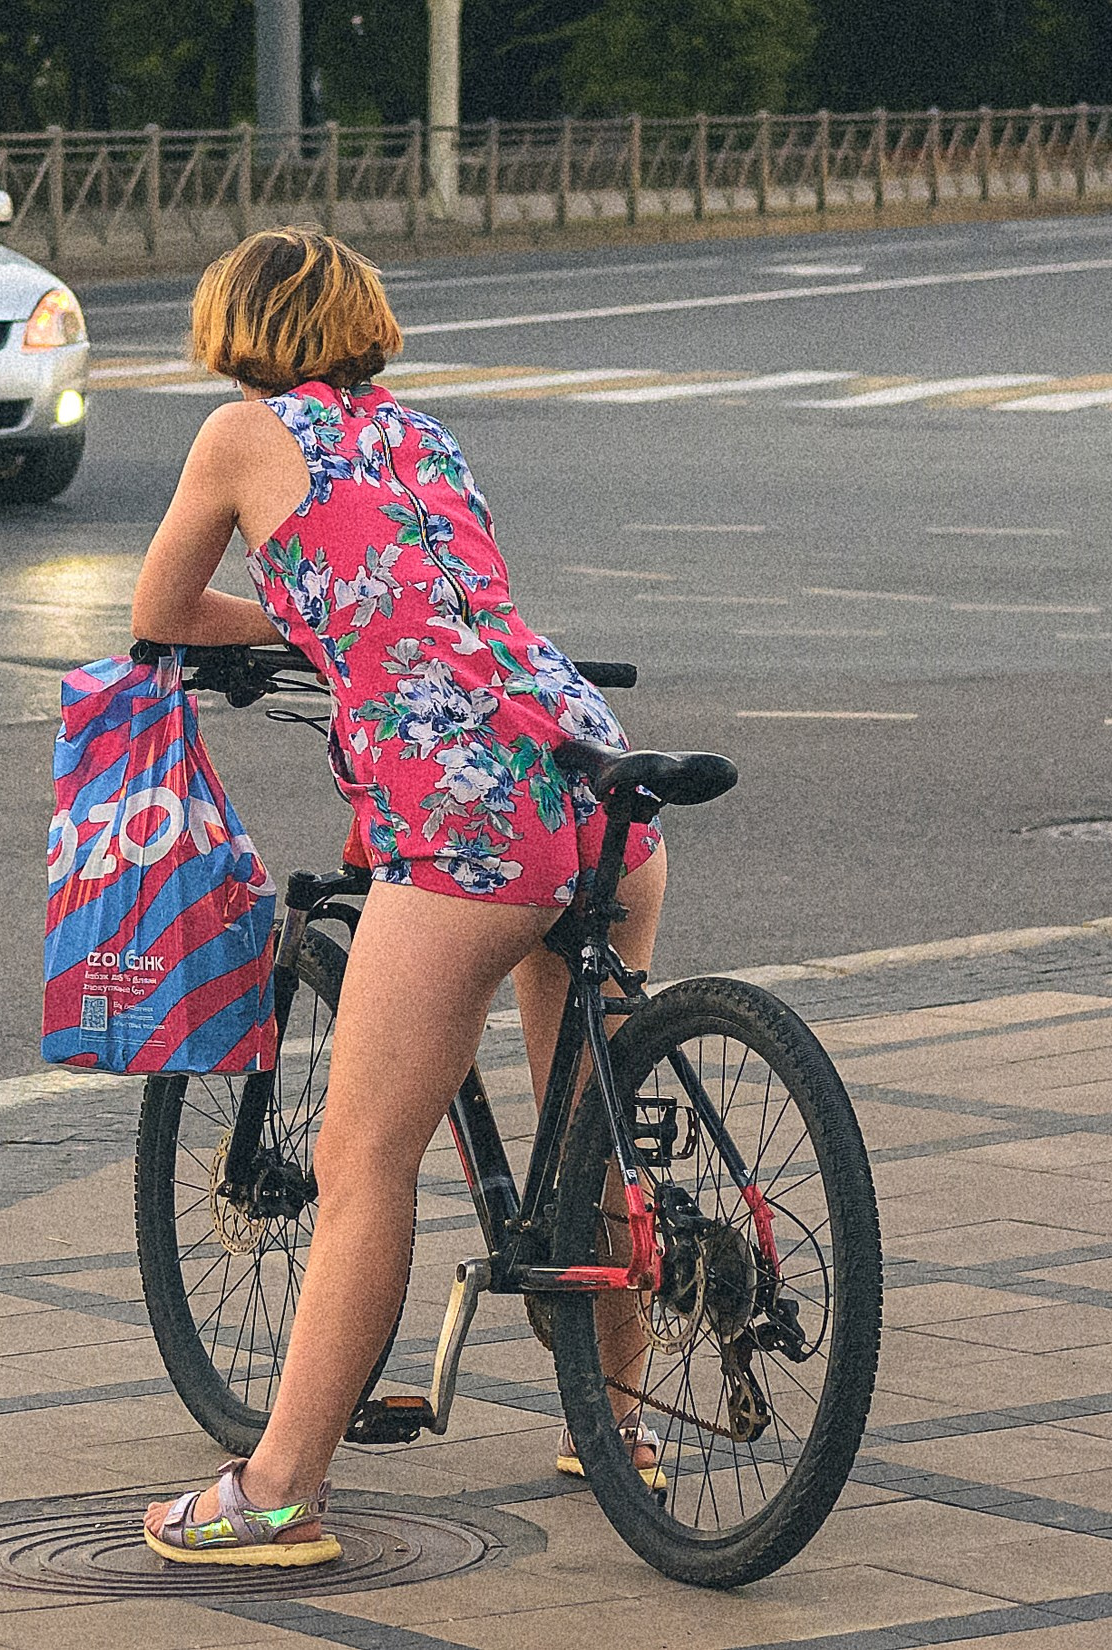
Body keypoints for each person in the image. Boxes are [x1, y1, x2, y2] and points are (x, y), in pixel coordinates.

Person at [132, 227, 669, 1568]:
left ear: (239, 327)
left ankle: (277, 1490)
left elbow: (163, 606)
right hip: (589, 775)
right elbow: (448, 601)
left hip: (460, 821)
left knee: (362, 1159)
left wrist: (277, 627)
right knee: (583, 1122)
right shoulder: (425, 436)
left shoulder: (243, 436)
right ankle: (621, 1421)